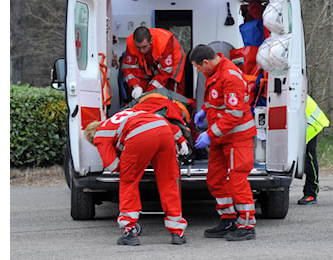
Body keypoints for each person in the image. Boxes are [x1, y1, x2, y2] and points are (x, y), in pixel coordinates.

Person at [84, 108, 188, 245]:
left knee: (128, 181)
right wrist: (181, 140)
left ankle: (130, 230)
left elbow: (113, 165)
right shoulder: (125, 114)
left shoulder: (100, 135)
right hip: (164, 129)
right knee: (169, 181)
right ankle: (177, 232)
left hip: (138, 135)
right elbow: (159, 121)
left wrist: (129, 162)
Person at [189, 44, 257, 241]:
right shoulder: (216, 73)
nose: (198, 71)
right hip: (222, 138)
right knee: (215, 179)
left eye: (198, 68)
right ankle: (228, 218)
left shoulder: (230, 76)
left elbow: (234, 114)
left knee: (237, 181)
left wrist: (209, 134)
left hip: (237, 138)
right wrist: (204, 110)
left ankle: (246, 224)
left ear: (205, 62)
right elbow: (217, 101)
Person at [122, 26, 186, 99]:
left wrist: (150, 92)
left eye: (144, 47)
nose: (141, 51)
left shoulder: (165, 41)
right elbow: (128, 69)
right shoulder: (131, 43)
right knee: (141, 91)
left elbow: (165, 73)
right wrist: (135, 86)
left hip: (173, 61)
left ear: (151, 40)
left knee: (174, 95)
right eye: (138, 47)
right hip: (150, 62)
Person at [298, 95, 330, 205]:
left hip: (312, 125)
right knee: (308, 158)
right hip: (309, 123)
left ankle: (311, 193)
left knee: (309, 159)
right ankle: (310, 192)